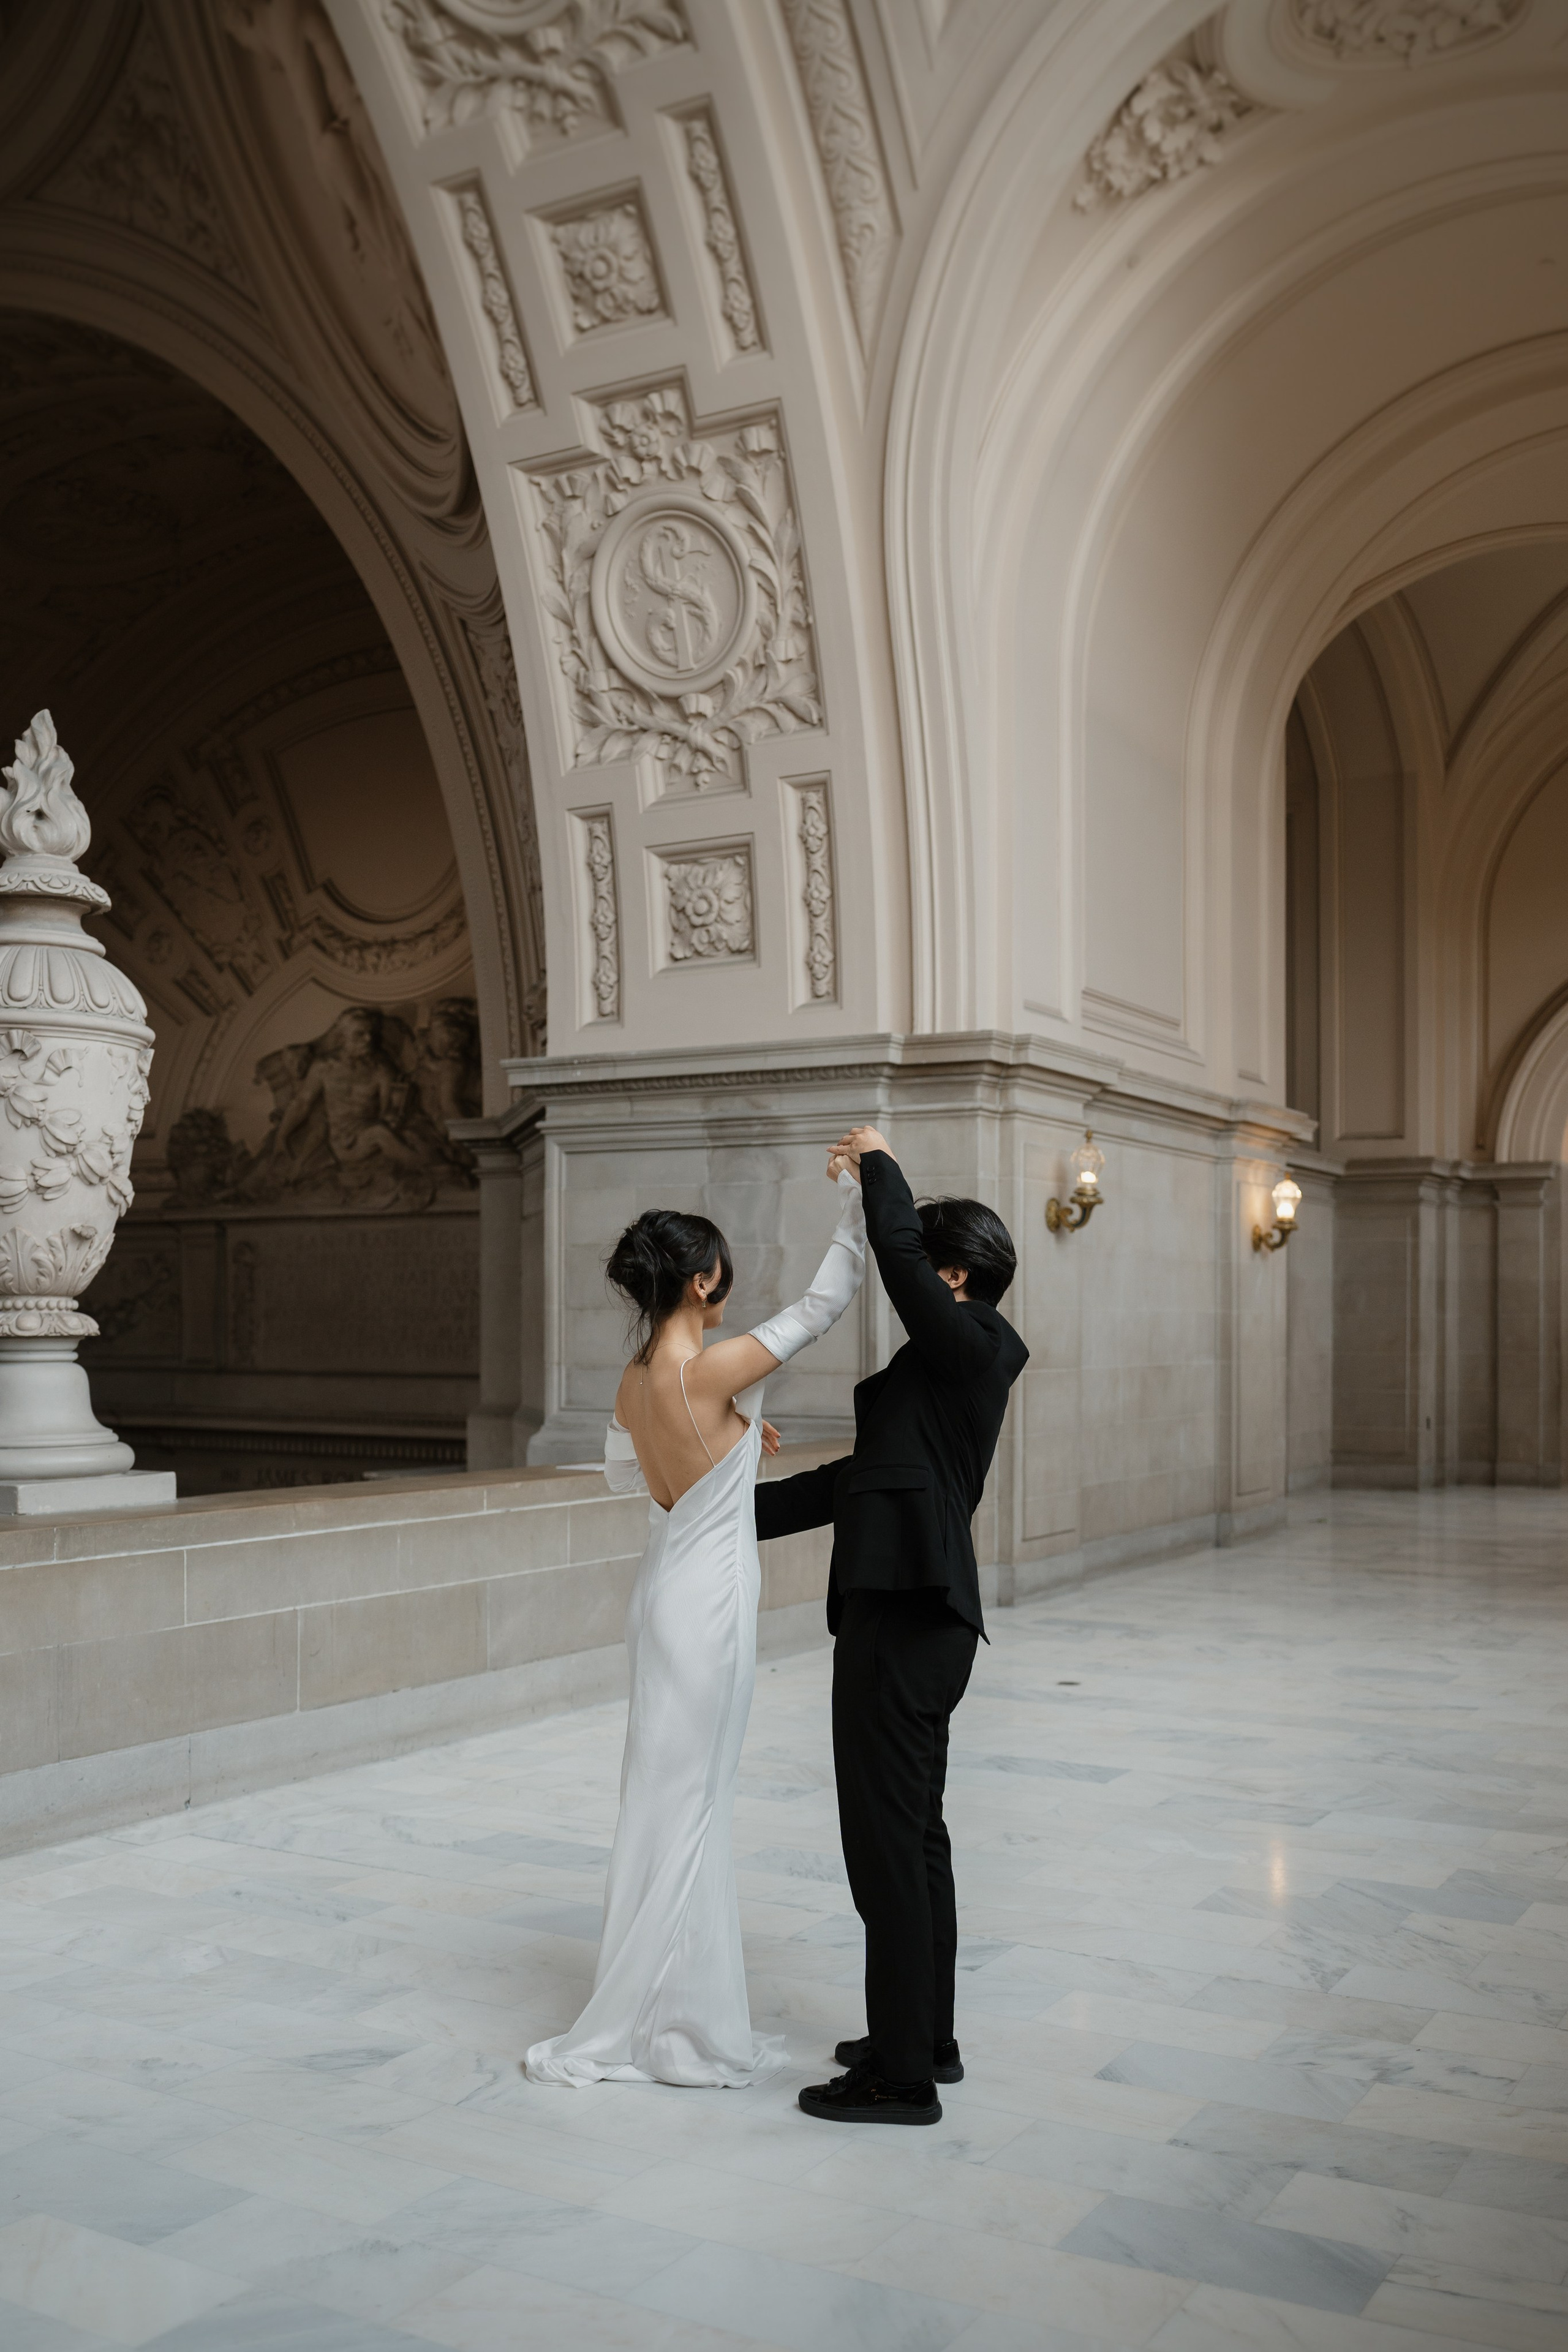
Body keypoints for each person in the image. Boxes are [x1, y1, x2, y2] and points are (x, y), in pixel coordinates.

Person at [524, 1159, 867, 2089]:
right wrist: (860, 1202)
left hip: (663, 1589)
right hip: (710, 1602)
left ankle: (664, 2010)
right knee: (695, 1803)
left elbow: (633, 1477)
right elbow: (822, 1305)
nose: (732, 1285)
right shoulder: (714, 1368)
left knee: (664, 1798)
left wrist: (737, 1436)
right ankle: (673, 2026)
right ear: (703, 1279)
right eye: (725, 1271)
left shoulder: (639, 1381)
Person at [756, 1126, 1027, 2127]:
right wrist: (731, 1512)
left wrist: (879, 1163)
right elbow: (861, 1481)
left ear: (952, 1273)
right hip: (912, 1615)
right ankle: (924, 2040)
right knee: (913, 1842)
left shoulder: (977, 1346)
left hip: (911, 1619)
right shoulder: (937, 1372)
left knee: (886, 1847)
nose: (897, 1269)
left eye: (916, 1255)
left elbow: (903, 1261)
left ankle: (900, 2080)